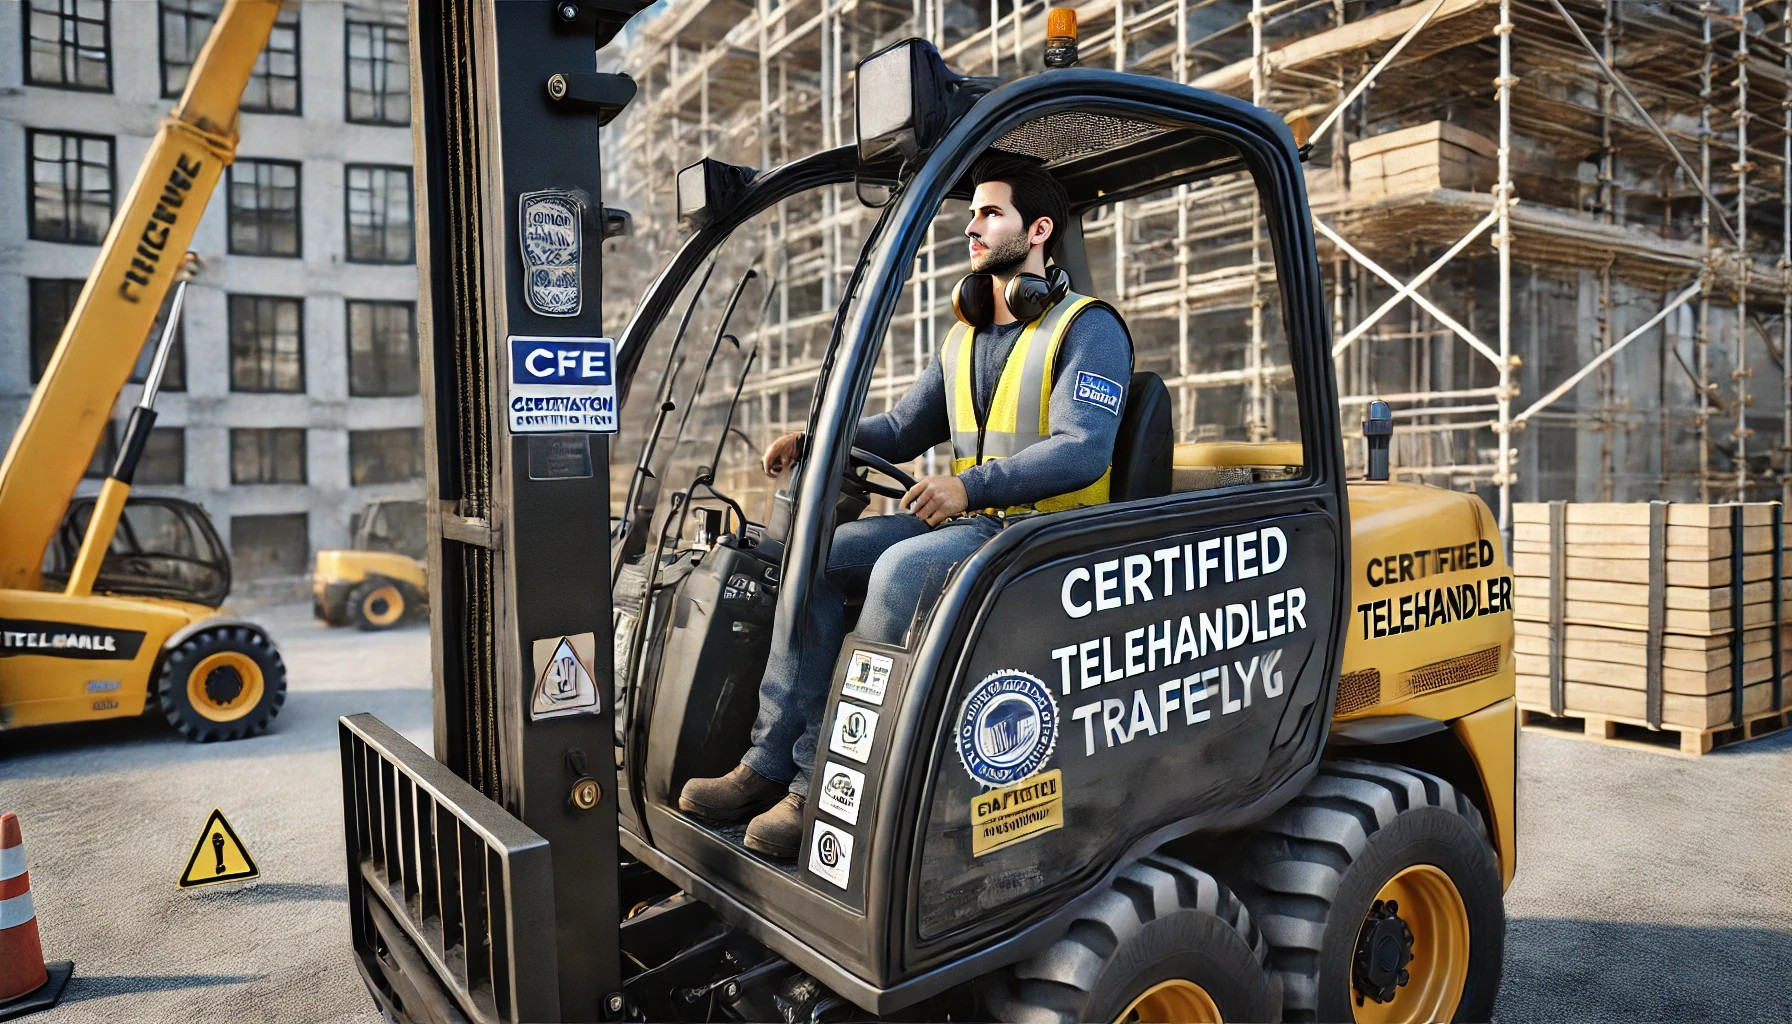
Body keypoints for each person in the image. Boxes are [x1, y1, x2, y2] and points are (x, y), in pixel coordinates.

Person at [678, 152, 1134, 859]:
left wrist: (968, 487)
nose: (970, 227)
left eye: (989, 213)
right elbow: (900, 430)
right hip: (979, 527)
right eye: (971, 213)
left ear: (1038, 229)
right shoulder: (965, 336)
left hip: (1047, 539)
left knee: (897, 570)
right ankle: (765, 762)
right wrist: (821, 435)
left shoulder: (1089, 328)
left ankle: (816, 790)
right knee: (818, 559)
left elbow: (1083, 450)